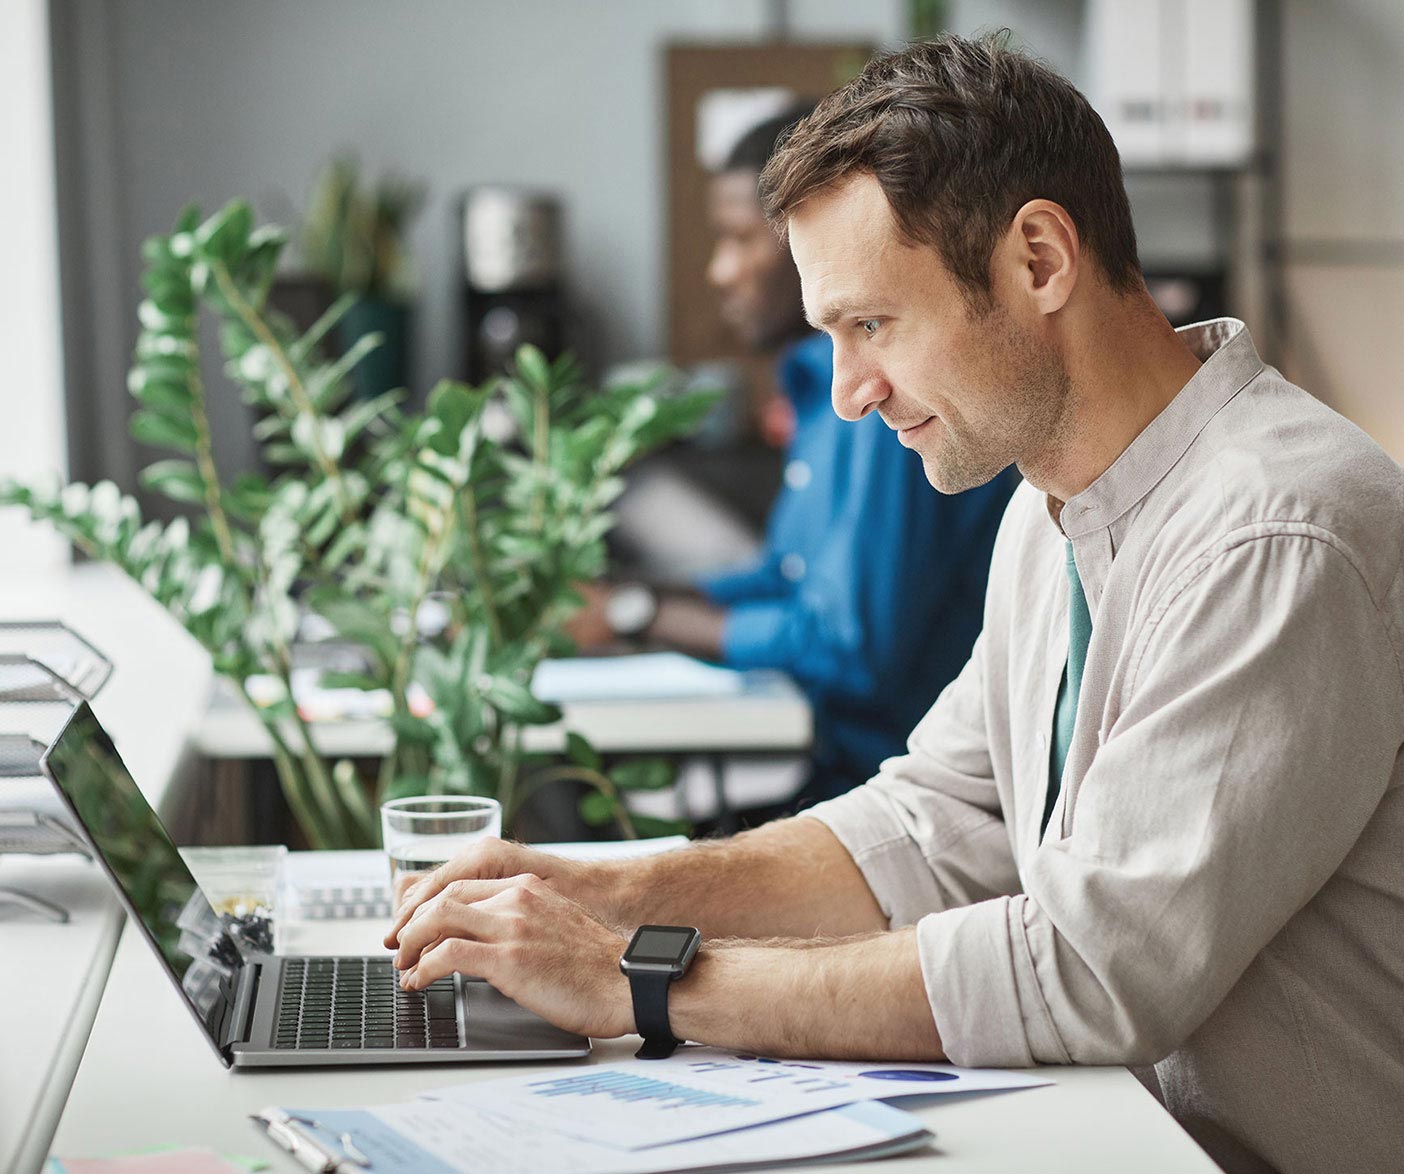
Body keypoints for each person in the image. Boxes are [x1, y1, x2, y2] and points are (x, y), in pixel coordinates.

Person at [388, 34, 1404, 1174]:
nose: (852, 392)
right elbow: (927, 826)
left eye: (873, 324)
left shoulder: (1277, 529)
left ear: (1037, 258)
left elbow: (1090, 971)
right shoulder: (1050, 505)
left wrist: (637, 975)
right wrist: (591, 887)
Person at [569, 106, 1018, 806]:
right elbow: (788, 576)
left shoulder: (888, 406)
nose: (721, 271)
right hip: (835, 773)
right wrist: (639, 600)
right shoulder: (821, 391)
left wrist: (636, 614)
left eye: (741, 239)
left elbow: (848, 648)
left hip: (892, 792)